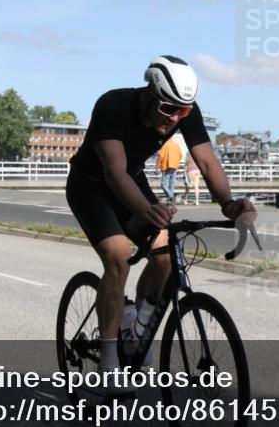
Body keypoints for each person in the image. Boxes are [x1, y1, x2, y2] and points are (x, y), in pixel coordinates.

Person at [67, 55, 255, 390]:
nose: (174, 118)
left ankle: (136, 328)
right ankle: (109, 364)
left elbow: (208, 163)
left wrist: (229, 203)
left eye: (182, 112)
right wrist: (144, 209)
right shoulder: (113, 105)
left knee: (165, 253)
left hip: (131, 181)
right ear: (149, 93)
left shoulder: (185, 111)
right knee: (118, 256)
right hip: (91, 186)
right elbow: (114, 171)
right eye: (168, 108)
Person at [156, 136, 182, 205]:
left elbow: (160, 156)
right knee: (171, 184)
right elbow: (180, 155)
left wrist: (157, 167)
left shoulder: (165, 145)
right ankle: (171, 201)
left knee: (163, 184)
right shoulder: (176, 145)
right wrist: (175, 163)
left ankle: (171, 197)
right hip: (174, 167)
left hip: (167, 167)